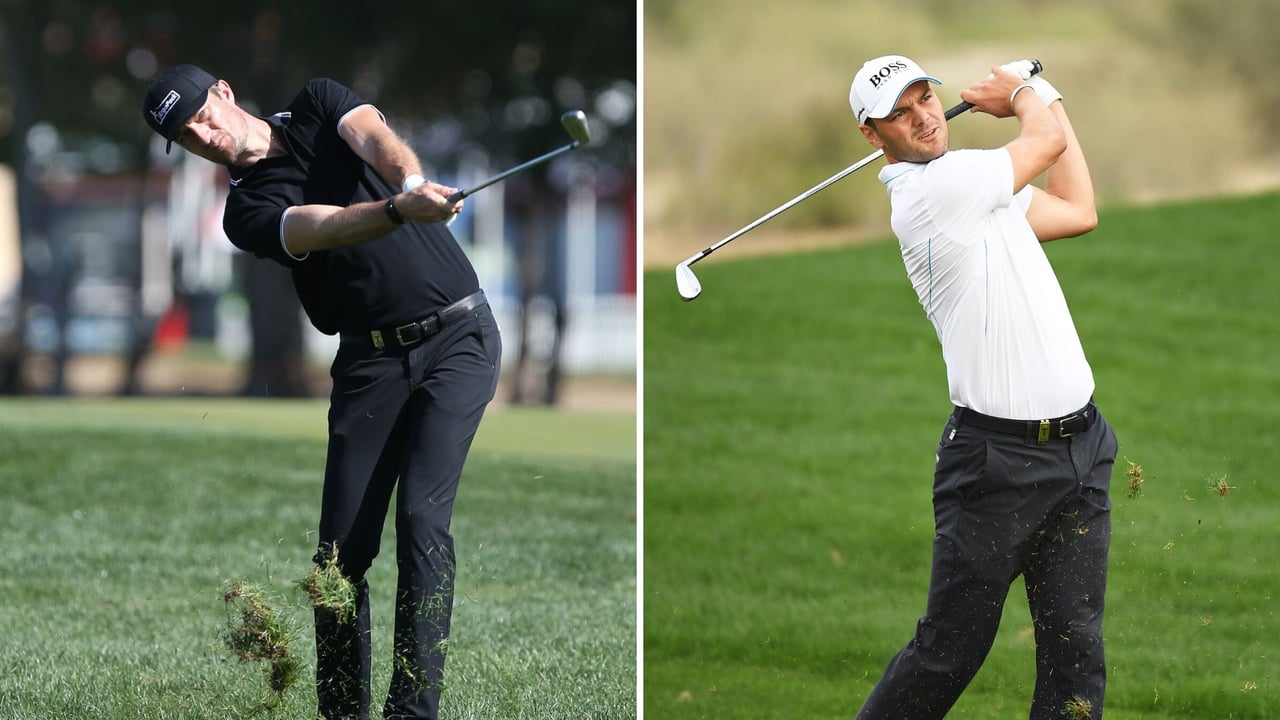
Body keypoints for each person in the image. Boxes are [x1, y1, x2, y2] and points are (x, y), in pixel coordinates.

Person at [143, 64, 502, 720]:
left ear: (224, 91)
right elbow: (325, 226)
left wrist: (412, 181)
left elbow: (372, 137)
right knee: (337, 563)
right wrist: (399, 209)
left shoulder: (317, 102)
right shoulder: (244, 212)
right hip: (369, 362)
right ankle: (341, 712)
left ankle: (412, 712)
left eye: (201, 114)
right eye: (185, 135)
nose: (203, 134)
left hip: (458, 337)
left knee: (423, 521)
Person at [847, 55, 1119, 719]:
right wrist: (1025, 93)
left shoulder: (973, 185)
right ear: (872, 135)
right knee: (949, 653)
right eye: (899, 114)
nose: (923, 118)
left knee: (1075, 653)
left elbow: (1080, 209)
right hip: (996, 464)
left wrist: (1042, 94)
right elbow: (1042, 141)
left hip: (1081, 449)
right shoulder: (932, 194)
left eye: (925, 100)